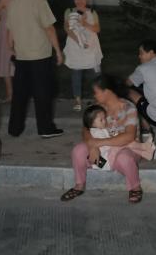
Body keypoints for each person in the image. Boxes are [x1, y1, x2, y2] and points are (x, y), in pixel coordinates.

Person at [62, 76, 147, 204]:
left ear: (106, 92)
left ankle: (135, 187)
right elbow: (86, 129)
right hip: (103, 149)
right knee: (78, 151)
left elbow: (129, 137)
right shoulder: (97, 107)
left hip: (127, 147)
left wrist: (97, 144)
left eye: (96, 92)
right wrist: (92, 147)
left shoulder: (128, 108)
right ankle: (79, 185)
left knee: (124, 158)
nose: (94, 95)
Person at [5, 0, 64, 138]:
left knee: (19, 94)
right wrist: (58, 51)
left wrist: (11, 47)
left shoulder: (14, 2)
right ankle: (45, 128)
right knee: (43, 93)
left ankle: (15, 128)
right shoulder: (40, 2)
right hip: (40, 55)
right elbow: (49, 28)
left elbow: (10, 29)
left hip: (21, 55)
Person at [63, 0, 103, 112]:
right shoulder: (69, 11)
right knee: (76, 74)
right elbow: (67, 28)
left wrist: (84, 23)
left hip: (91, 47)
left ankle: (98, 99)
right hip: (75, 46)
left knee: (96, 75)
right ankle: (78, 100)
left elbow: (97, 29)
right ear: (74, 0)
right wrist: (78, 41)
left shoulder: (92, 12)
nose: (80, 1)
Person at [82, 103, 155, 170]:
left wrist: (115, 135)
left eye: (104, 118)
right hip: (105, 161)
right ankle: (143, 147)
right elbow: (106, 145)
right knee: (124, 143)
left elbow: (109, 135)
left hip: (107, 156)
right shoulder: (95, 132)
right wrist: (116, 138)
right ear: (92, 123)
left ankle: (145, 153)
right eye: (101, 120)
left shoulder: (101, 129)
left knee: (123, 142)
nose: (104, 121)